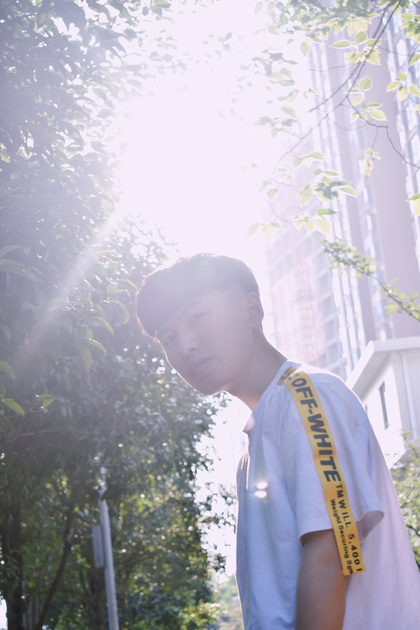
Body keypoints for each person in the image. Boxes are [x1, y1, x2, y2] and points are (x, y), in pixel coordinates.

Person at [135, 253, 420, 630]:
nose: (185, 345)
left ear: (252, 310)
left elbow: (332, 553)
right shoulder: (262, 432)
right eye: (168, 337)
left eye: (196, 317)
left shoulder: (304, 397)